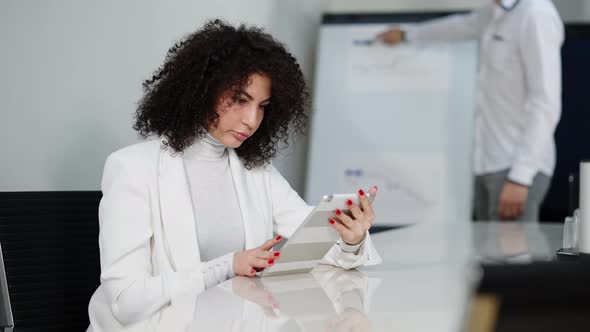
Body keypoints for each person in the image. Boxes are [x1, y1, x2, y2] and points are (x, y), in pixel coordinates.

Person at [87, 20, 382, 331]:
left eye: (262, 106)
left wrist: (351, 239)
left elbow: (314, 245)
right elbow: (125, 301)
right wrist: (227, 265)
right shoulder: (133, 168)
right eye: (240, 100)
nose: (251, 120)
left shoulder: (256, 172)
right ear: (201, 89)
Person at [377, 0, 564, 222]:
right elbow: (456, 27)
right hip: (486, 164)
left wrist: (521, 178)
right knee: (488, 254)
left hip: (515, 168)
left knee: (510, 255)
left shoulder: (535, 14)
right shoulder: (492, 13)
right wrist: (407, 34)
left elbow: (545, 103)